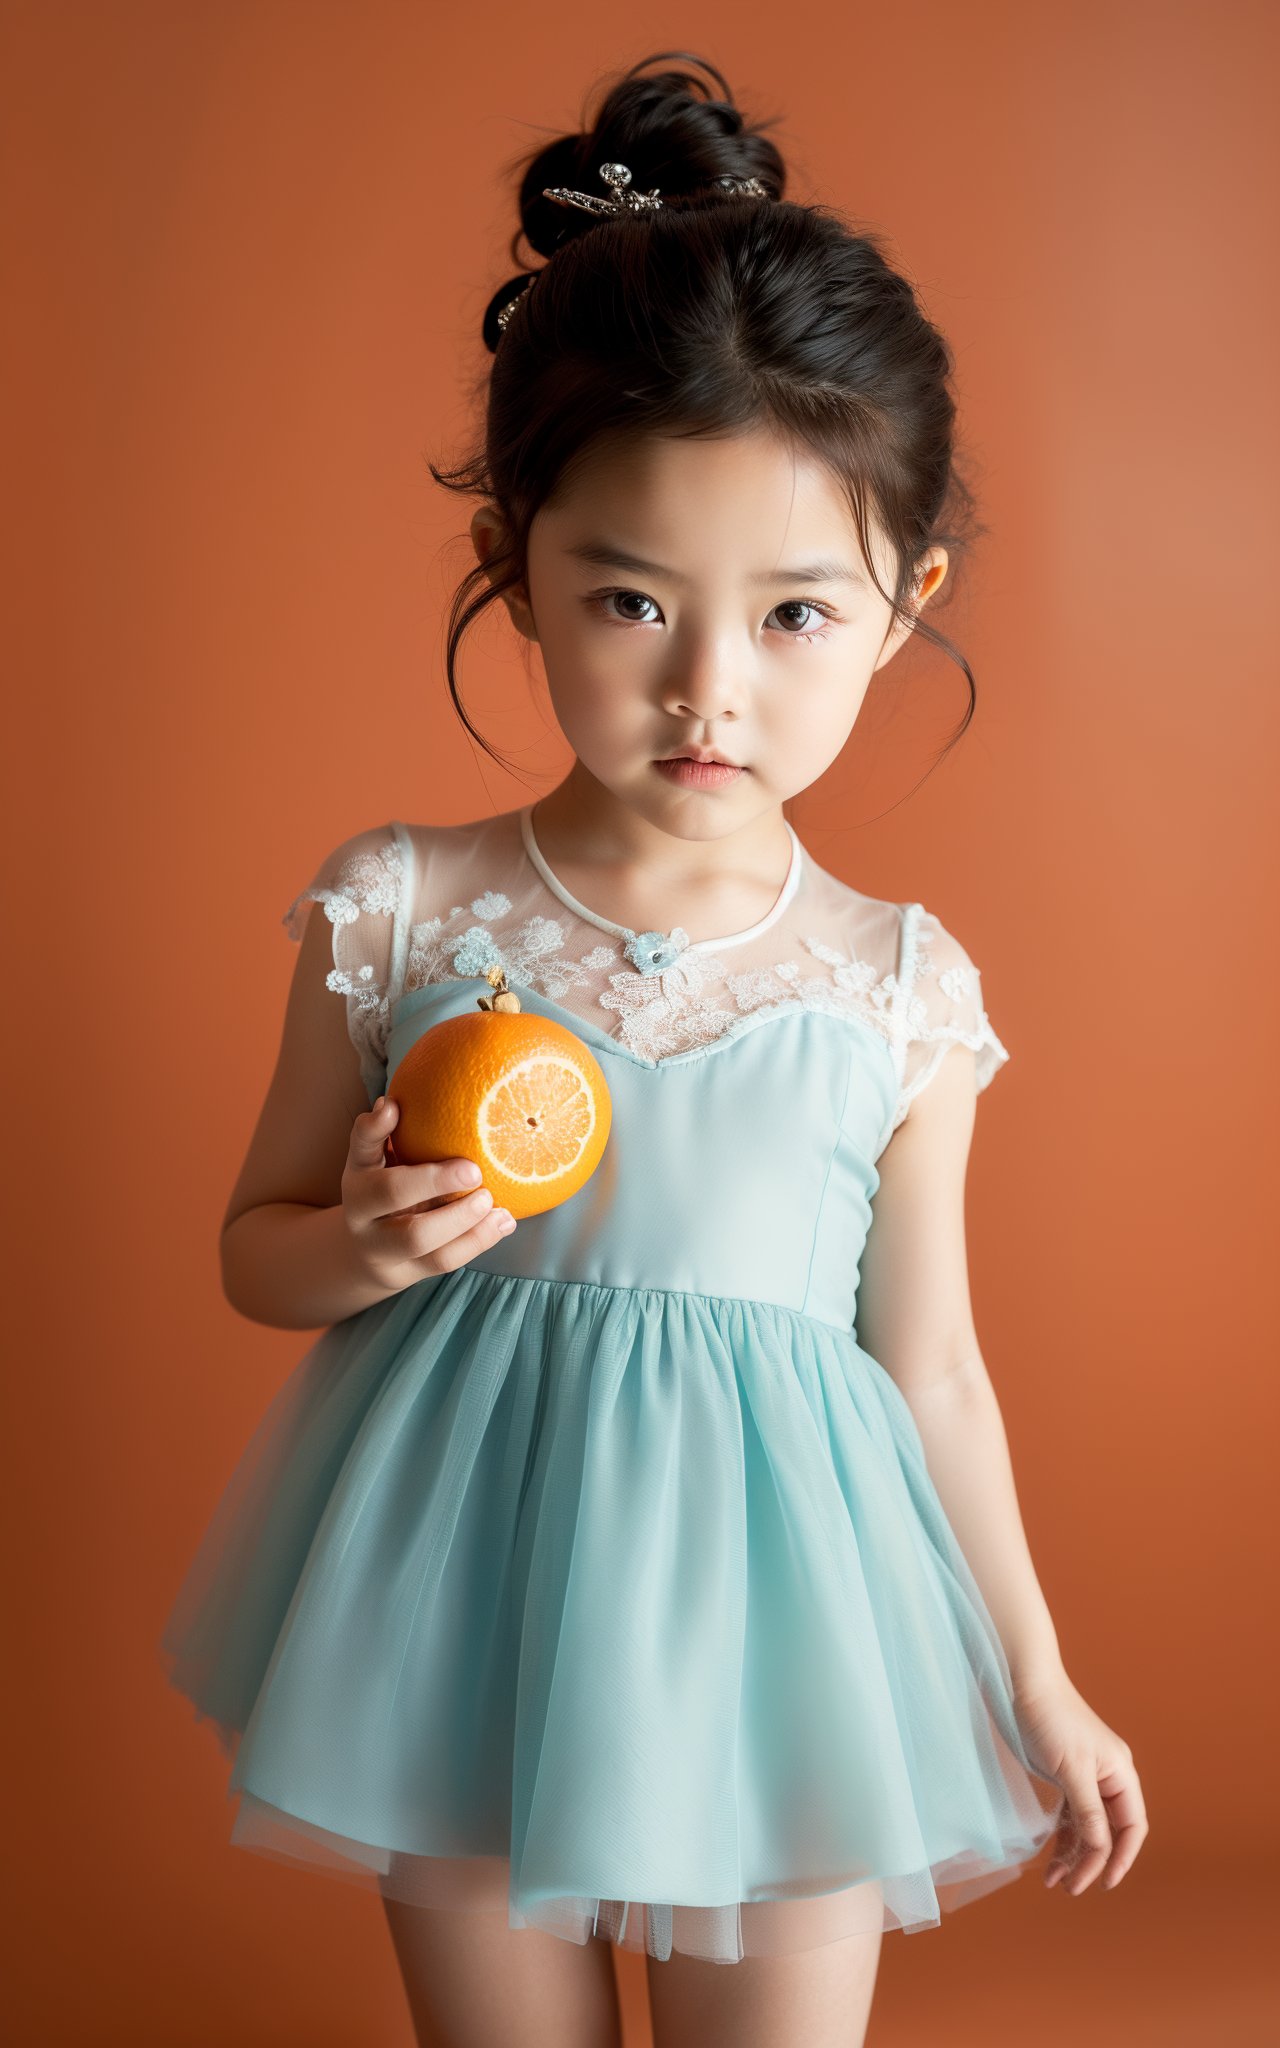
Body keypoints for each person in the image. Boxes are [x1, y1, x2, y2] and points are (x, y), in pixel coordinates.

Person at [160, 49, 1148, 2048]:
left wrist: (1035, 1672)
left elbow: (929, 1364)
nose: (708, 689)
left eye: (794, 613)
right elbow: (255, 1247)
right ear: (518, 563)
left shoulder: (895, 987)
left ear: (899, 604)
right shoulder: (409, 909)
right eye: (628, 599)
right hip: (459, 1617)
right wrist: (364, 1240)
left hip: (785, 1643)